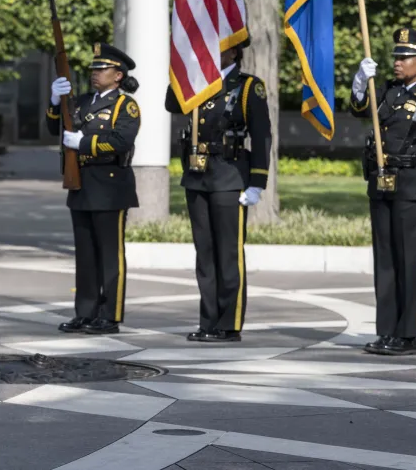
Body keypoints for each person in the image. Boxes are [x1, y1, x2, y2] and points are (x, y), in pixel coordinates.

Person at [349, 28, 416, 356]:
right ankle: (387, 331)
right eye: (395, 57)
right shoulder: (388, 92)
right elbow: (360, 109)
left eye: (404, 57)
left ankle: (407, 335)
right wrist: (358, 83)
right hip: (382, 186)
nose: (397, 62)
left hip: (412, 189)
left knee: (409, 263)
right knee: (385, 262)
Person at [165, 39, 272, 343]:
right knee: (205, 254)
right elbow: (172, 104)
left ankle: (229, 323)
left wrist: (257, 182)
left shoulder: (248, 86)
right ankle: (208, 321)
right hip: (197, 175)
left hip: (230, 175)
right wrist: (180, 70)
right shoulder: (197, 81)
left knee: (228, 254)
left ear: (234, 51)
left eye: (218, 44)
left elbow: (263, 135)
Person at [47, 43, 142, 335]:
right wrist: (54, 101)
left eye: (102, 70)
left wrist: (84, 144)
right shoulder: (82, 102)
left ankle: (109, 315)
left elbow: (121, 141)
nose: (95, 74)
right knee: (85, 255)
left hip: (111, 185)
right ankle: (85, 312)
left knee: (110, 255)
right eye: (93, 70)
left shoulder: (125, 105)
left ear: (118, 75)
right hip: (81, 185)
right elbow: (54, 129)